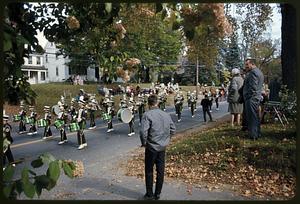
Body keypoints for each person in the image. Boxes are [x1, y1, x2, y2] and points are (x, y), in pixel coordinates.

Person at [140, 94, 176, 200]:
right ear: (157, 103)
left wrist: (144, 143)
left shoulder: (147, 115)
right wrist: (166, 140)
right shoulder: (166, 114)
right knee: (160, 171)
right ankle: (158, 194)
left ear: (148, 103)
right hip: (162, 147)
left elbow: (143, 132)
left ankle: (149, 193)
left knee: (149, 170)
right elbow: (173, 129)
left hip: (151, 147)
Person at [243, 58, 264, 140]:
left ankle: (253, 135)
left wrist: (248, 96)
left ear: (252, 64)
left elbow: (253, 87)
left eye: (247, 64)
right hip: (256, 97)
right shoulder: (259, 72)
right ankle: (257, 133)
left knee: (252, 117)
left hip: (252, 98)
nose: (246, 66)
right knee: (255, 116)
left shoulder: (253, 73)